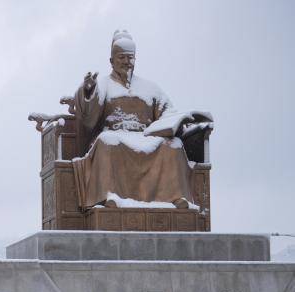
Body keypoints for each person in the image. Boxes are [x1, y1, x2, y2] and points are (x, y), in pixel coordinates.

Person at [71, 30, 201, 209]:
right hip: (115, 135)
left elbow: (168, 113)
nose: (126, 62)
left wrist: (178, 122)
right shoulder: (103, 84)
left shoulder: (150, 88)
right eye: (122, 57)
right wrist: (88, 91)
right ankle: (111, 196)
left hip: (145, 136)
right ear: (111, 60)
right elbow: (88, 115)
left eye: (130, 57)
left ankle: (176, 197)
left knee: (174, 146)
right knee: (107, 142)